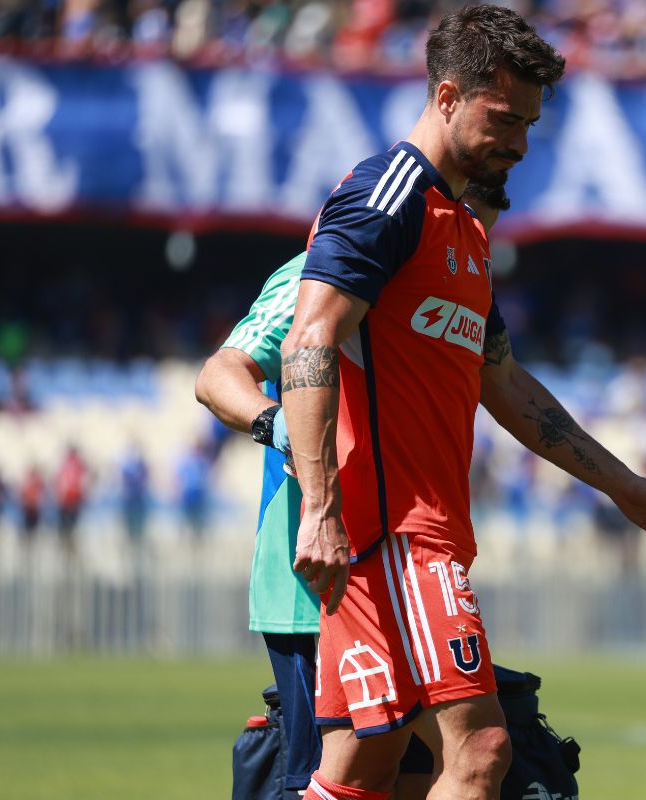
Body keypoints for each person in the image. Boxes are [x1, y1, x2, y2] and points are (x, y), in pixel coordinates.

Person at [279, 6, 646, 799]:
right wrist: (320, 508)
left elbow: (503, 386)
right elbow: (310, 339)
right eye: (503, 119)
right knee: (480, 752)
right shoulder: (388, 195)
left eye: (530, 124)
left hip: (412, 532)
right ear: (446, 96)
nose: (519, 143)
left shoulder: (465, 233)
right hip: (394, 533)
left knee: (363, 769)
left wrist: (624, 485)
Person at [196, 178, 512, 800]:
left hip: (388, 567)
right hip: (313, 582)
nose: (469, 235)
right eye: (463, 217)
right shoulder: (328, 269)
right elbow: (219, 374)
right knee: (376, 768)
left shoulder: (446, 270)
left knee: (423, 770)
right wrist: (283, 426)